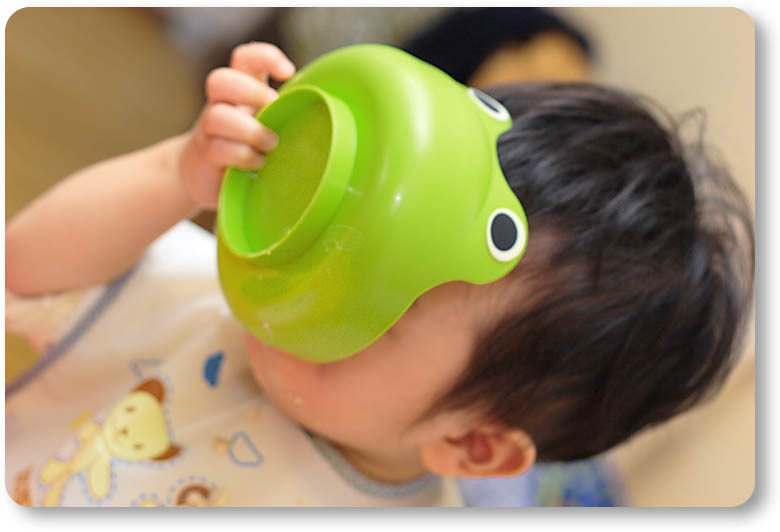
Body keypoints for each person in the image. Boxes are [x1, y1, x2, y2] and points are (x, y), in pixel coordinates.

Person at [5, 42, 753, 507]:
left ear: (473, 447)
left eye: (369, 310)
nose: (307, 293)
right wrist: (175, 173)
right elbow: (29, 270)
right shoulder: (215, 305)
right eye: (349, 248)